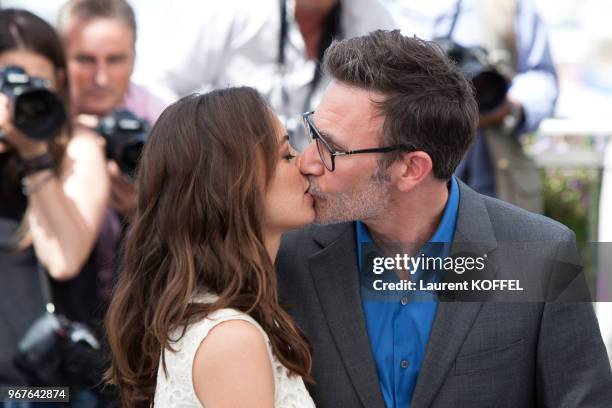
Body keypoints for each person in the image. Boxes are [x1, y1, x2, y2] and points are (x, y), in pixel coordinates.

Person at [276, 30, 612, 407]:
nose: (306, 161)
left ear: (411, 169)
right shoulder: (286, 254)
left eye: (331, 148)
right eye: (311, 132)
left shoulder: (539, 255)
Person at [104, 88, 317, 407]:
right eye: (286, 155)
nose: (305, 164)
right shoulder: (231, 339)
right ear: (232, 185)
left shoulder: (214, 320)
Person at [0, 7, 109, 400]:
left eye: (36, 82)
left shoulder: (77, 150)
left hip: (47, 391)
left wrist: (35, 157)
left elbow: (64, 258)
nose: (22, 96)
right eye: (9, 81)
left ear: (59, 81)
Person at [381, 0, 557, 213]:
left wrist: (510, 106)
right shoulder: (371, 8)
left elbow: (541, 75)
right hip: (396, 174)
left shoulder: (508, 5)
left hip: (491, 170)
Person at [143, 0, 396, 144]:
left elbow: (394, 104)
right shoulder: (234, 10)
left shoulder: (373, 19)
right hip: (233, 178)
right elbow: (158, 84)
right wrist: (206, 141)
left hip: (325, 179)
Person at [58, 0, 166, 220]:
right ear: (59, 57)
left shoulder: (164, 121)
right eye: (85, 60)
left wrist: (146, 212)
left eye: (115, 60)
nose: (101, 78)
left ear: (134, 58)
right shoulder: (33, 115)